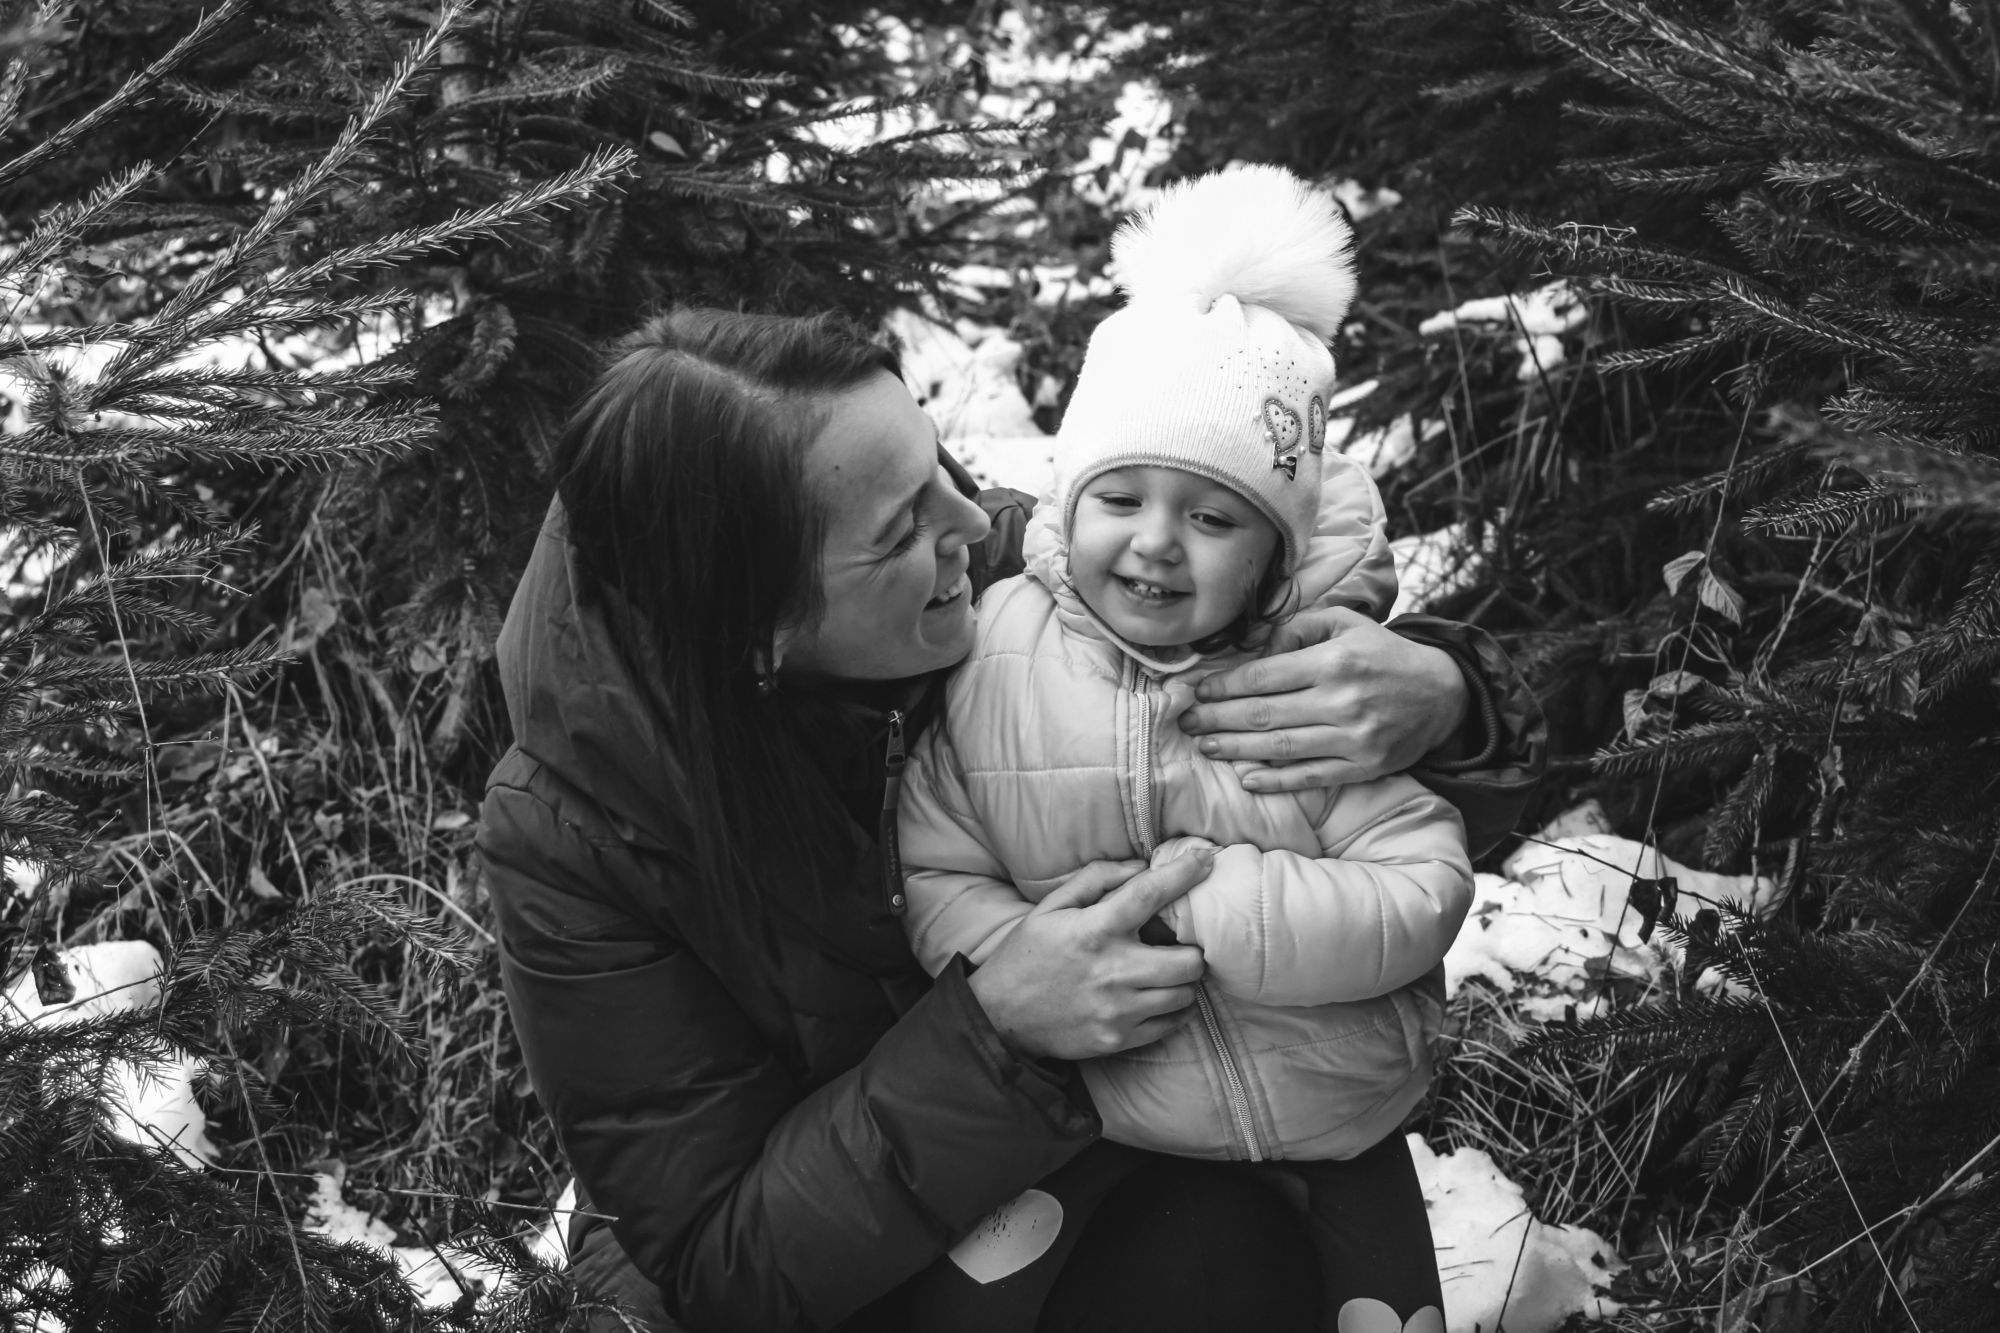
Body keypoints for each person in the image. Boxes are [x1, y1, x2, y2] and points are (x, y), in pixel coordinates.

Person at [477, 299, 1545, 1331]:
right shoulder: (575, 836)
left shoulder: (1010, 583)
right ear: (759, 632)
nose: (976, 519)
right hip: (818, 1265)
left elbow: (1315, 740)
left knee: (1215, 1258)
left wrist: (1447, 698)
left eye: (938, 467)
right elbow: (720, 1260)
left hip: (1087, 1156)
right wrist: (993, 1029)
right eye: (902, 529)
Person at [898, 165, 1471, 1333]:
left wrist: (1211, 914)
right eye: (1120, 499)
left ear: (1270, 553)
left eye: (1210, 517)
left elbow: (1421, 889)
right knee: (966, 1305)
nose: (1156, 543)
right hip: (1095, 1097)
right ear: (1068, 502)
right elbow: (934, 861)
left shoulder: (1309, 681)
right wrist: (1041, 957)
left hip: (1330, 1115)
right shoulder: (998, 656)